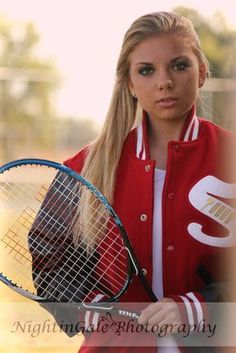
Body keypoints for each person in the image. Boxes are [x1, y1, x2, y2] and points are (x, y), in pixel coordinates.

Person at [62, 11, 235, 353]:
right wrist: (94, 311)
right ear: (128, 83)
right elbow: (53, 261)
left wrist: (199, 306)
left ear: (201, 72)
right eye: (146, 70)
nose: (164, 81)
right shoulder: (83, 168)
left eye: (179, 65)